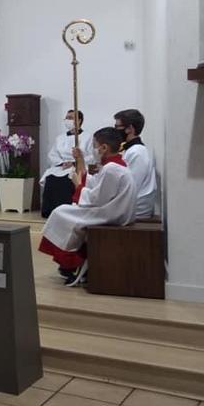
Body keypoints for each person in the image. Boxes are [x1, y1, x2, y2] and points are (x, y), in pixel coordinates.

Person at [38, 127, 137, 285]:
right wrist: (81, 161)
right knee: (64, 211)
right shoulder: (115, 165)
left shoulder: (111, 169)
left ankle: (70, 264)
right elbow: (96, 185)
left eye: (94, 146)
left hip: (112, 215)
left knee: (61, 213)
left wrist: (78, 186)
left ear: (104, 148)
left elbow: (97, 199)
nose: (94, 149)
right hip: (113, 210)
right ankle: (70, 263)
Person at [40, 110, 94, 218]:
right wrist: (62, 162)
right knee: (51, 178)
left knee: (68, 179)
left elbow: (92, 155)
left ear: (79, 120)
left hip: (78, 166)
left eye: (70, 118)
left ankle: (67, 210)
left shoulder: (88, 137)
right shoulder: (60, 138)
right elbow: (52, 154)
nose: (67, 120)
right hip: (62, 166)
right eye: (66, 118)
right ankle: (50, 210)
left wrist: (75, 162)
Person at [114, 109, 158, 219]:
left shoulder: (137, 152)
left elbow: (131, 186)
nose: (115, 131)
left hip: (137, 209)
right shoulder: (131, 150)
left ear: (130, 128)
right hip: (131, 205)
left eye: (117, 127)